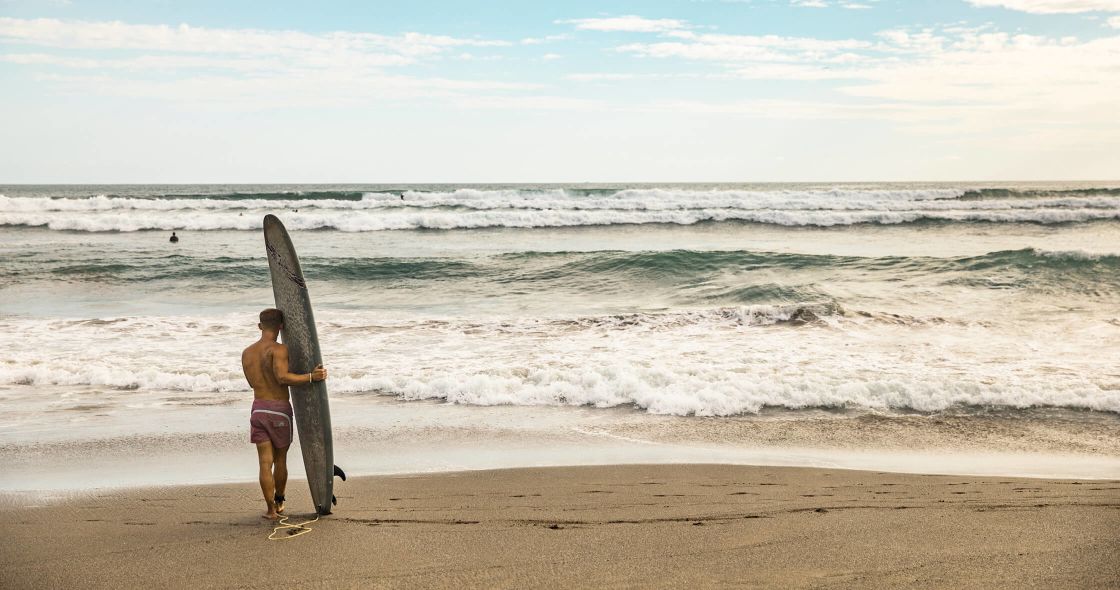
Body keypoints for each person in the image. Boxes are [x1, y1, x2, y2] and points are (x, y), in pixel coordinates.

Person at [241, 308, 327, 519]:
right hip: (279, 410)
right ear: (281, 327)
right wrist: (311, 377)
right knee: (280, 460)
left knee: (264, 462)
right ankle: (279, 500)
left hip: (258, 409)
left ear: (260, 326)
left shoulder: (247, 353)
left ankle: (270, 510)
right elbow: (281, 377)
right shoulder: (279, 350)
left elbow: (252, 382)